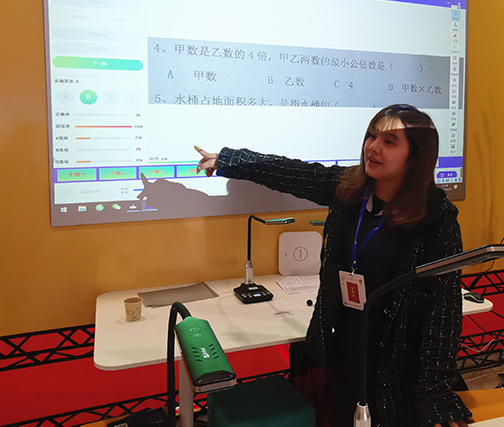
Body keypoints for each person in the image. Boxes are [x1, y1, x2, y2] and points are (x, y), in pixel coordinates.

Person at [196, 104, 471, 427]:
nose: (373, 147)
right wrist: (228, 160)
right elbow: (291, 172)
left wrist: (436, 393)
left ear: (416, 157)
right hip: (340, 347)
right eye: (371, 135)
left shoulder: (436, 219)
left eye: (389, 141)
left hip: (394, 361)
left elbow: (443, 313)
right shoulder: (349, 189)